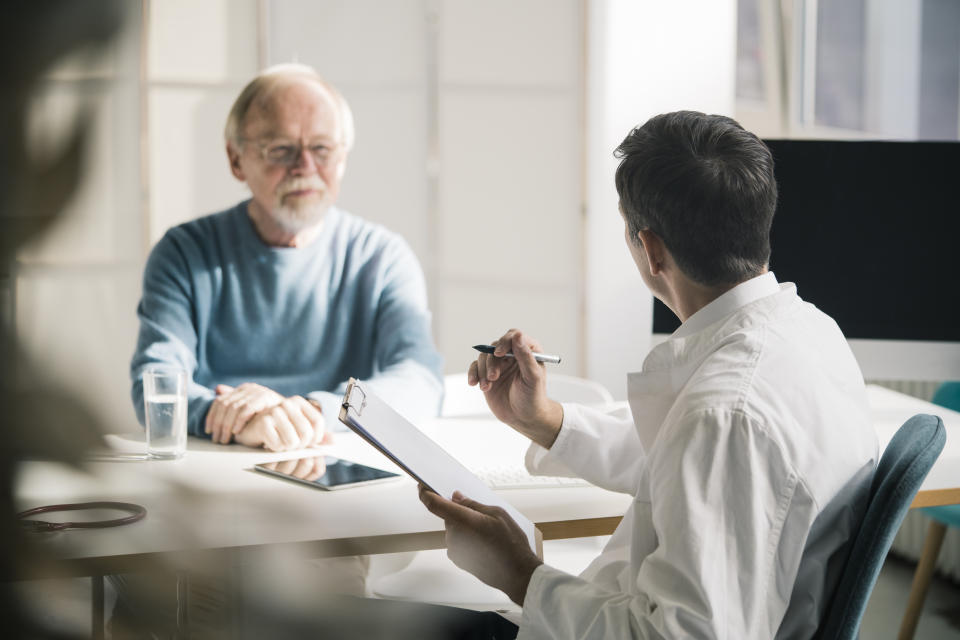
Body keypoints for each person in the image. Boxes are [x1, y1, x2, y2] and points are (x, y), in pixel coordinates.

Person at [419, 111, 879, 638]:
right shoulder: (811, 332)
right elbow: (680, 456)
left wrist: (520, 575)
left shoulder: (725, 415)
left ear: (652, 250)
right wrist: (545, 421)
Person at [130, 63, 443, 451]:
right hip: (217, 461)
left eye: (322, 149)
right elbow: (156, 382)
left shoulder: (382, 258)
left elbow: (420, 382)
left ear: (342, 158)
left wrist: (311, 412)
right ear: (235, 159)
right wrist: (236, 419)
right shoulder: (183, 253)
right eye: (281, 150)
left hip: (336, 462)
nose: (305, 167)